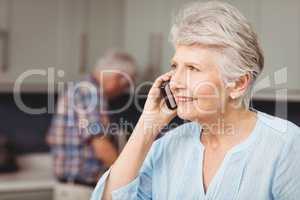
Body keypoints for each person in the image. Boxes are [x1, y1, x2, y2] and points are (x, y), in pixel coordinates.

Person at [91, 1, 300, 200]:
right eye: (175, 67)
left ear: (238, 84)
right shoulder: (167, 146)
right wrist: (147, 126)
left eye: (192, 68)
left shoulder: (285, 145)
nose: (175, 82)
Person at [47, 51, 137, 199]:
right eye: (125, 85)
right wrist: (128, 176)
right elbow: (101, 145)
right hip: (80, 189)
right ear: (118, 78)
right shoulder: (91, 93)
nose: (123, 91)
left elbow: (50, 137)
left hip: (70, 187)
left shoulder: (79, 88)